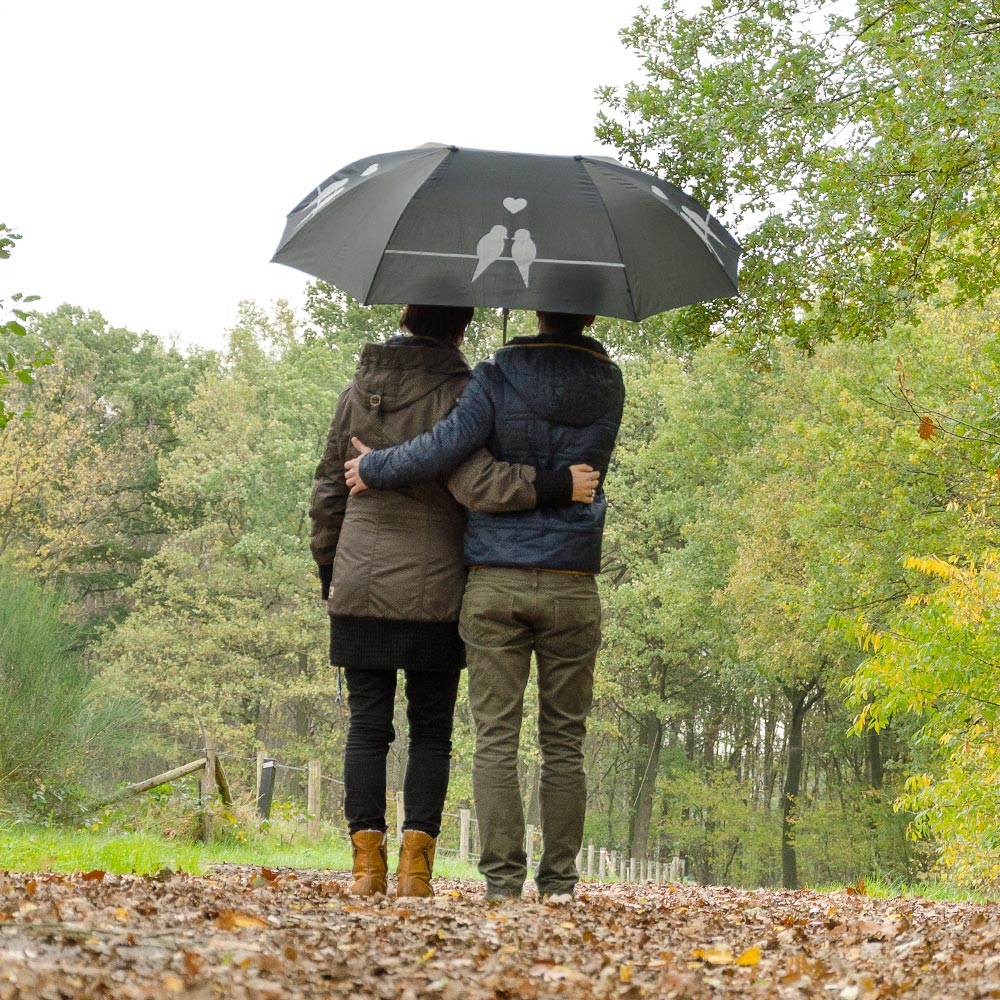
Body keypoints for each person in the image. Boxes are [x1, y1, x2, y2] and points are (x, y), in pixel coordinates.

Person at [310, 303, 598, 899]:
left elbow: (325, 490)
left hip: (359, 580)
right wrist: (551, 485)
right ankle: (416, 874)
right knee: (431, 729)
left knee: (366, 726)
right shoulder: (464, 392)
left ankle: (366, 872)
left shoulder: (356, 391)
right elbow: (472, 482)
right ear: (460, 328)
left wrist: (329, 570)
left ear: (406, 317)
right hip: (437, 583)